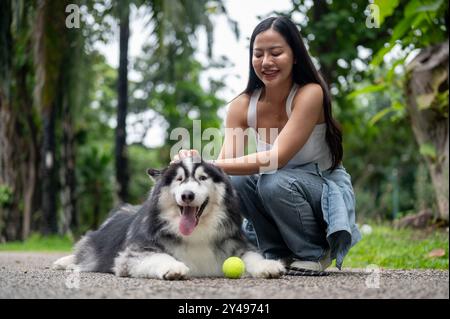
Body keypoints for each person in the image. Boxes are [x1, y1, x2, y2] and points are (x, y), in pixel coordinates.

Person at [173, 16, 360, 273]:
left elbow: (277, 158)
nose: (266, 62)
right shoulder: (242, 106)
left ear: (295, 56)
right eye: (258, 54)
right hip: (281, 190)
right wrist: (195, 165)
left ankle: (314, 253)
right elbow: (224, 171)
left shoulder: (310, 93)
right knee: (238, 182)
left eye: (276, 53)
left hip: (322, 192)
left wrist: (209, 163)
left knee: (272, 179)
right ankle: (276, 253)